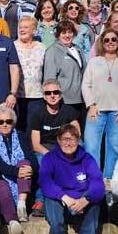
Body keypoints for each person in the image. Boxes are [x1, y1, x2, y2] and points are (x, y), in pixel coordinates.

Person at [39, 124, 104, 234]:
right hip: (61, 202)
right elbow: (45, 182)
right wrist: (64, 197)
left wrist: (86, 199)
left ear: (78, 141)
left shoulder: (87, 159)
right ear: (58, 140)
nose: (68, 143)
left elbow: (98, 183)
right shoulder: (49, 158)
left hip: (81, 203)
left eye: (72, 139)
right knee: (50, 197)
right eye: (65, 139)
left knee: (95, 197)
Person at [82, 28, 118, 179]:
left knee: (116, 147)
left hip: (117, 112)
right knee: (91, 146)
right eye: (107, 40)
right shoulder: (94, 62)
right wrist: (91, 104)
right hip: (96, 110)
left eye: (114, 40)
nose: (110, 42)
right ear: (102, 43)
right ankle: (94, 179)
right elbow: (86, 84)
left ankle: (109, 181)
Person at [0, 106, 37, 234]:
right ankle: (13, 222)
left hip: (21, 179)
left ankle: (21, 204)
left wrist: (31, 168)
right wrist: (16, 171)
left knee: (25, 162)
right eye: (0, 122)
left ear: (13, 122)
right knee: (3, 190)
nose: (5, 124)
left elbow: (32, 158)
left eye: (8, 121)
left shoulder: (21, 136)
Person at [29, 79, 80, 217]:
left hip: (64, 147)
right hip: (43, 149)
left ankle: (70, 198)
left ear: (61, 95)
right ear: (44, 96)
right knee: (45, 166)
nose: (52, 95)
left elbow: (76, 133)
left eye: (56, 92)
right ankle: (40, 200)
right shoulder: (37, 114)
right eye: (48, 93)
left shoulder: (68, 111)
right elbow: (35, 144)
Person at [42, 20, 87, 123]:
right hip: (64, 101)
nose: (67, 35)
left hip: (80, 99)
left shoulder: (78, 49)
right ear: (58, 35)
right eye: (63, 33)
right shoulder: (53, 51)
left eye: (70, 32)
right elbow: (50, 79)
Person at [14, 16, 46, 132]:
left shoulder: (41, 47)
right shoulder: (13, 46)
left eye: (26, 27)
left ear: (34, 30)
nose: (22, 30)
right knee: (19, 128)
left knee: (33, 129)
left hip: (36, 96)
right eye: (20, 27)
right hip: (17, 96)